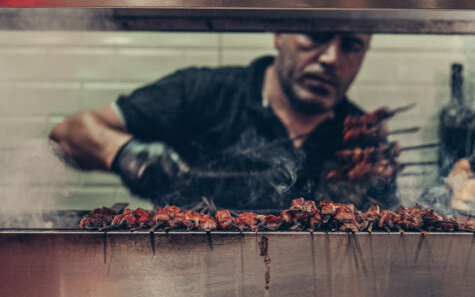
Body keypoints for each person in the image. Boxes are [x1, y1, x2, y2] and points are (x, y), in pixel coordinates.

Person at [50, 32, 398, 211]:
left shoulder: (364, 139)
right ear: (280, 34)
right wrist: (125, 153)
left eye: (352, 45)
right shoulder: (201, 92)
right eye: (316, 36)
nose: (331, 57)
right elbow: (67, 133)